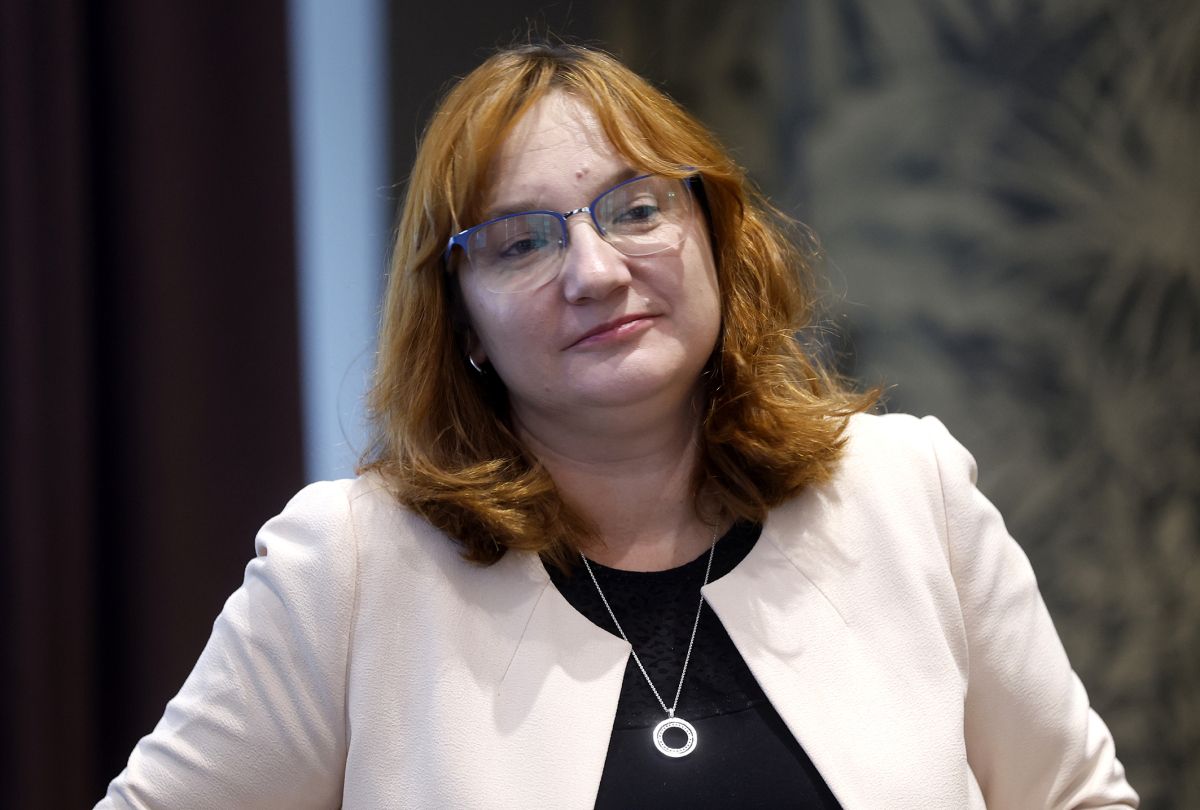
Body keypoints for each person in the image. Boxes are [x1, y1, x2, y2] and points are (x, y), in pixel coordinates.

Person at [98, 42, 1138, 809]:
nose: (595, 273)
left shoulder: (911, 493)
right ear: (461, 324)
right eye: (521, 243)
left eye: (637, 209)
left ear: (714, 238)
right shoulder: (353, 566)